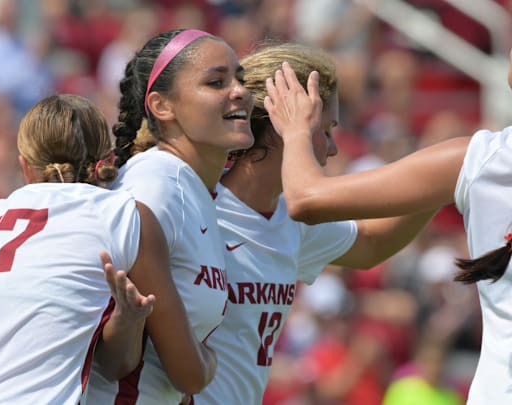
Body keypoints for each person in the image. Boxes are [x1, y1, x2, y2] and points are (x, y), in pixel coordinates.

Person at [185, 42, 437, 405]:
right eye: (326, 130)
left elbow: (370, 244)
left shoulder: (291, 218)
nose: (333, 149)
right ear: (283, 124)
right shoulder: (191, 205)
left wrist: (450, 181)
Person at [0, 94, 216, 404]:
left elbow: (110, 362)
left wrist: (126, 321)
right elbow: (189, 375)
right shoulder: (123, 216)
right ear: (105, 161)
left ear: (25, 164)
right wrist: (212, 354)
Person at [264, 45, 512, 405]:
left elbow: (306, 199)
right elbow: (369, 242)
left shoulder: (483, 161)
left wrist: (296, 129)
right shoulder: (480, 163)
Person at [86, 28, 255, 404]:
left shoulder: (192, 190)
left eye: (240, 79)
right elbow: (184, 372)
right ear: (162, 107)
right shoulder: (156, 182)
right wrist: (208, 362)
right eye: (216, 82)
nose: (240, 91)